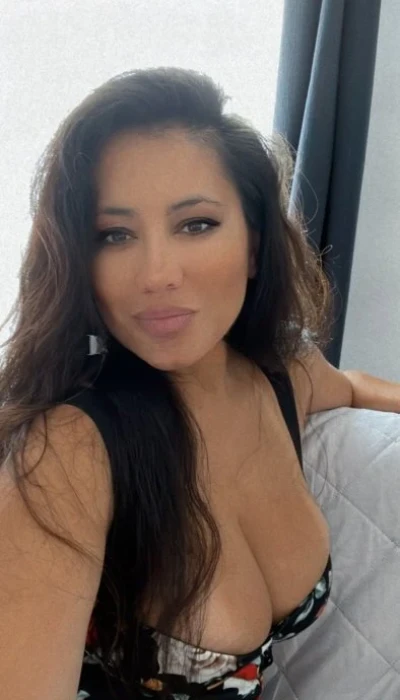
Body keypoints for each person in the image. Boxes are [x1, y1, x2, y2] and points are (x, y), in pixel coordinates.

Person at [2, 65, 394, 700]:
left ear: (254, 247)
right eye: (114, 235)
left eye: (196, 224)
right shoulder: (69, 452)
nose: (157, 273)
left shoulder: (281, 373)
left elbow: (350, 385)